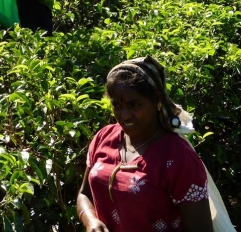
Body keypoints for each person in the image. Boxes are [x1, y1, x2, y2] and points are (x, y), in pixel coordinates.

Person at [77, 55, 215, 232]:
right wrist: (90, 220)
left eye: (135, 105)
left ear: (157, 100)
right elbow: (84, 194)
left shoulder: (178, 157)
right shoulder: (104, 137)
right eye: (117, 106)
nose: (125, 115)